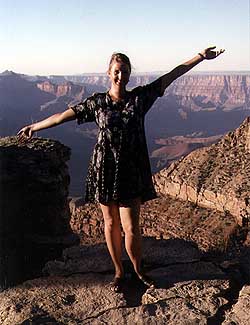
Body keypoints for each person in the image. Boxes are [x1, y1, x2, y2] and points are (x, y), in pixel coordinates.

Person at [17, 46, 225, 292]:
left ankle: (138, 270)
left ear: (129, 74)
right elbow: (63, 115)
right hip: (105, 168)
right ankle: (118, 271)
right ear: (108, 73)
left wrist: (200, 57)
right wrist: (35, 126)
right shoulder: (97, 102)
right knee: (110, 224)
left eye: (125, 72)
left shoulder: (140, 98)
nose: (120, 76)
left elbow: (172, 75)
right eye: (117, 71)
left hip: (130, 170)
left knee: (131, 226)